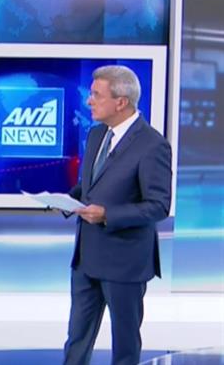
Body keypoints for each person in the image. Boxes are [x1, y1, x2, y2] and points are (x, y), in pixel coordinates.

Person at [62, 65, 172, 365]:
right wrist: (67, 199)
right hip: (86, 258)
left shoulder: (153, 145)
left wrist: (108, 215)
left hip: (125, 262)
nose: (89, 101)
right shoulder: (97, 134)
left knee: (124, 344)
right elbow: (91, 185)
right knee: (76, 339)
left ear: (121, 102)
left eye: (96, 95)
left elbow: (158, 205)